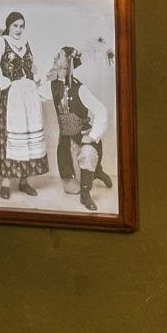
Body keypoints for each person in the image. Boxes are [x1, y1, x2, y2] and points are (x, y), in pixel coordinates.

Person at [0, 12, 49, 199]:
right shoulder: (0, 43)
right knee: (10, 138)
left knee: (28, 138)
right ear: (8, 26)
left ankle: (24, 181)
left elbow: (32, 67)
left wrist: (36, 79)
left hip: (29, 96)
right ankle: (5, 184)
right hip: (12, 97)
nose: (18, 29)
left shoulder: (26, 44)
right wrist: (3, 79)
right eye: (15, 26)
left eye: (21, 26)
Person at [48, 46, 112, 212]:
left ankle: (86, 194)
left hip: (82, 137)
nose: (54, 57)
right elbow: (36, 93)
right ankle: (97, 172)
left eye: (58, 56)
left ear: (66, 63)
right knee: (70, 188)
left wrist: (93, 136)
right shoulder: (53, 86)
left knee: (88, 154)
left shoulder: (79, 88)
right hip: (65, 142)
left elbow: (101, 110)